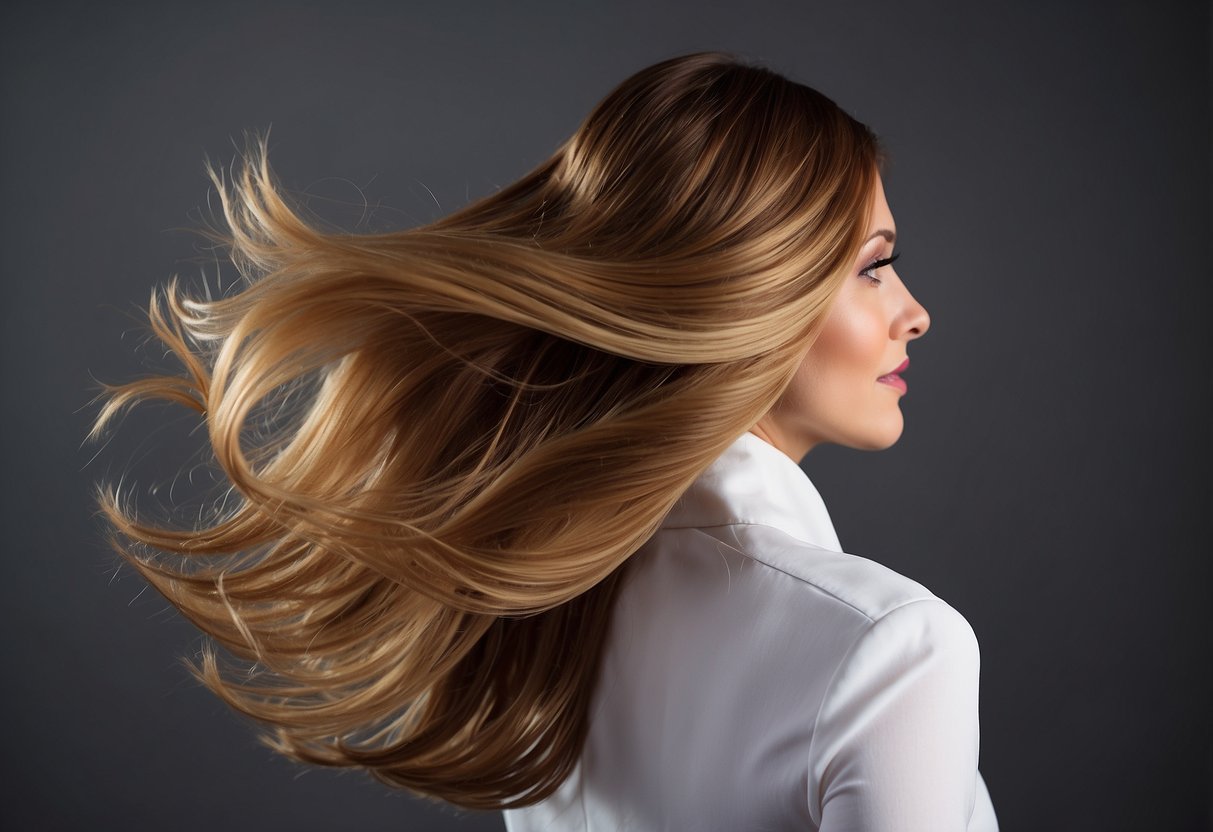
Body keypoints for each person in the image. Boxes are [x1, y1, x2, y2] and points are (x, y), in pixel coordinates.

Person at [88, 51, 998, 830]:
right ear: (745, 291)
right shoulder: (894, 649)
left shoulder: (540, 614)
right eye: (873, 267)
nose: (913, 314)